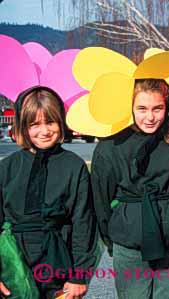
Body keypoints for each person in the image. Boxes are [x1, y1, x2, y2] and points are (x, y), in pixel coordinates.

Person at [91, 78, 169, 299]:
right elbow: (101, 201)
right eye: (142, 109)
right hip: (129, 244)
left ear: (167, 107)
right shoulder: (110, 147)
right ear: (131, 108)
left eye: (158, 108)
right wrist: (113, 238)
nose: (150, 116)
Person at [0, 86, 97, 299]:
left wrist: (79, 275)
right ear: (23, 126)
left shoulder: (74, 166)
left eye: (50, 122)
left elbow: (83, 222)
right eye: (34, 124)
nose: (44, 131)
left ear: (61, 123)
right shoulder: (7, 168)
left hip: (59, 264)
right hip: (14, 263)